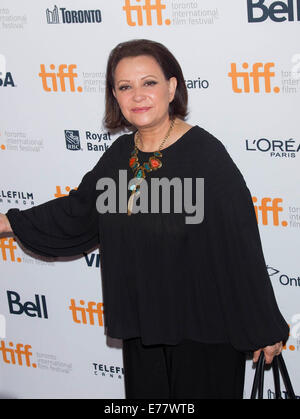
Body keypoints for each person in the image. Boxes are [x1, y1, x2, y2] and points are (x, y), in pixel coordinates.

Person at [0, 39, 289, 399]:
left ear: (171, 87)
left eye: (149, 83)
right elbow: (78, 212)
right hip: (145, 330)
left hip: (203, 333)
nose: (137, 95)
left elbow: (240, 246)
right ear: (115, 96)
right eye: (125, 86)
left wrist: (263, 326)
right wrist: (6, 222)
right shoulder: (120, 155)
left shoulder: (205, 155)